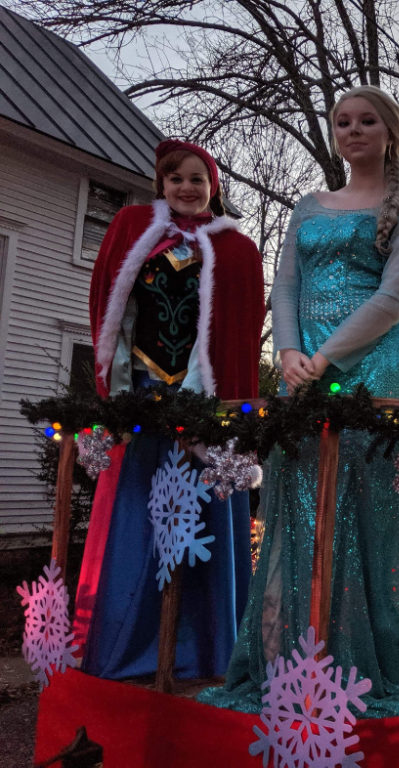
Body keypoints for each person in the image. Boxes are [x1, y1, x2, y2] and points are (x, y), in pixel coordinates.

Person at [199, 86, 399, 718]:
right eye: (342, 121)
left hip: (376, 370)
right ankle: (298, 661)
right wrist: (288, 355)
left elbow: (393, 300)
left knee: (375, 520)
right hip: (302, 376)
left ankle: (376, 667)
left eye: (365, 121)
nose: (352, 130)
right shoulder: (307, 205)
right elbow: (287, 284)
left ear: (389, 133)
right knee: (299, 511)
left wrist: (326, 361)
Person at [73, 139, 265, 679]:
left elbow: (242, 337)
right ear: (162, 183)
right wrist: (113, 391)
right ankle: (127, 651)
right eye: (176, 178)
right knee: (138, 522)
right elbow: (107, 299)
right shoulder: (135, 230)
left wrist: (231, 414)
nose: (186, 187)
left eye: (197, 179)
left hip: (206, 408)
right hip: (145, 403)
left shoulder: (235, 250)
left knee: (205, 527)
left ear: (213, 188)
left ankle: (206, 653)